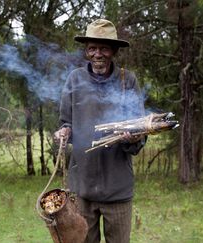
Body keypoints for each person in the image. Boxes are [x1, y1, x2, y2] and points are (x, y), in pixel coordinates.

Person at [55, 19, 146, 243]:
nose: (98, 54)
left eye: (104, 48)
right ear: (86, 51)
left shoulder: (128, 81)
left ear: (114, 51)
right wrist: (63, 133)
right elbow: (65, 122)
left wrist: (133, 138)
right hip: (82, 188)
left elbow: (139, 134)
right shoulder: (74, 79)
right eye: (92, 48)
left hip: (118, 190)